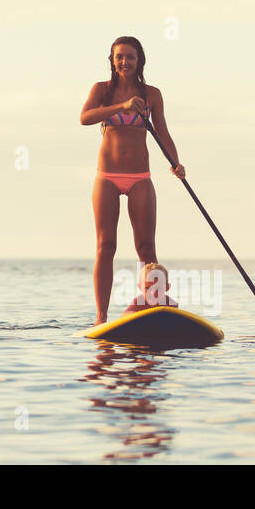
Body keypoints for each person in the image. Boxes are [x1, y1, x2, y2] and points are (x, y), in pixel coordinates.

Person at [80, 36, 184, 325]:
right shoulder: (102, 90)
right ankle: (101, 316)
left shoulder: (152, 95)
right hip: (107, 177)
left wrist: (176, 163)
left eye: (130, 57)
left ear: (140, 61)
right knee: (106, 245)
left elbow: (162, 131)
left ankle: (150, 308)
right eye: (119, 57)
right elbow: (84, 117)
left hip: (140, 177)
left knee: (147, 248)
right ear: (112, 61)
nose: (124, 62)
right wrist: (121, 107)